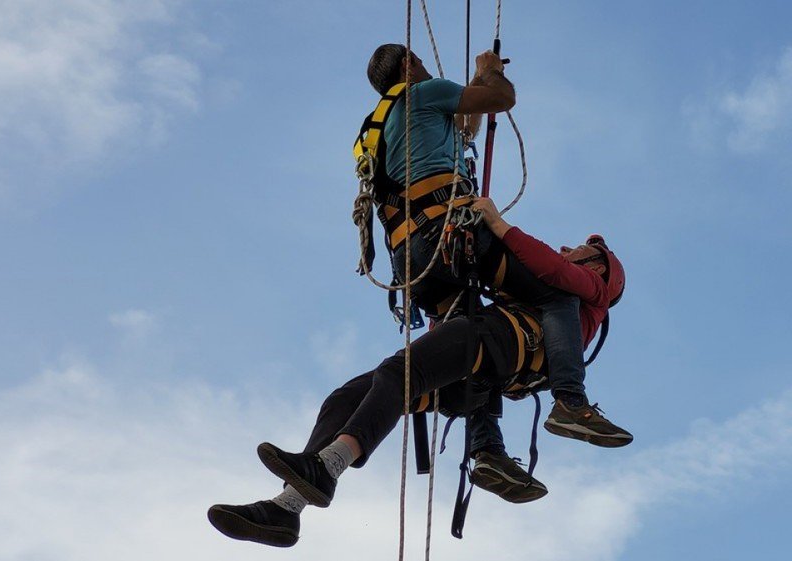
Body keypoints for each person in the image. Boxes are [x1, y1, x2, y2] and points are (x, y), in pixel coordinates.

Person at [207, 206, 627, 548]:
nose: (567, 247)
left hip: (504, 344)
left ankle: (329, 465)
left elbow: (549, 266)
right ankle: (287, 508)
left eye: (581, 249)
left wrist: (495, 223)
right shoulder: (547, 298)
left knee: (398, 373)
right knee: (346, 397)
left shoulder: (590, 289)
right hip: (480, 369)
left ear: (600, 267)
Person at [360, 44, 627, 452]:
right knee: (557, 295)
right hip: (446, 235)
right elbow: (501, 100)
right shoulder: (423, 92)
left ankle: (486, 449)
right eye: (420, 62)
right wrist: (491, 73)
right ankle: (571, 401)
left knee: (470, 339)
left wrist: (478, 79)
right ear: (408, 64)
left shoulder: (379, 128)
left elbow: (465, 128)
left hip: (409, 260)